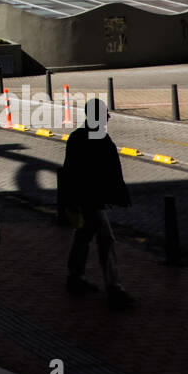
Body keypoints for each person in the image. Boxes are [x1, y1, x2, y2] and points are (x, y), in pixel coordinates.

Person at [62, 97, 134, 308]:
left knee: (83, 236)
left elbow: (68, 172)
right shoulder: (99, 138)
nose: (109, 117)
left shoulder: (79, 137)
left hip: (85, 200)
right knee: (106, 240)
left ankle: (75, 275)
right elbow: (110, 172)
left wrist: (69, 200)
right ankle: (114, 287)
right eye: (105, 113)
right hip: (91, 201)